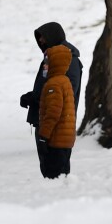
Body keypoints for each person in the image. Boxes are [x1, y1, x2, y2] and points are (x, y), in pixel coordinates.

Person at [19, 22, 82, 174]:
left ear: (53, 36)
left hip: (56, 125)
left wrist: (38, 99)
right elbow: (48, 86)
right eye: (39, 38)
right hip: (46, 120)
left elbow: (65, 94)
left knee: (55, 172)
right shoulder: (51, 57)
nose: (40, 41)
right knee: (49, 168)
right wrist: (32, 97)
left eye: (43, 37)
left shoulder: (69, 60)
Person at [37, 44, 77, 178]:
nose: (44, 66)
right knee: (63, 177)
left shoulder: (53, 84)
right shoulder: (65, 81)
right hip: (65, 140)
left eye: (47, 63)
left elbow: (53, 113)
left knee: (53, 178)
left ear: (55, 64)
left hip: (56, 140)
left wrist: (43, 137)